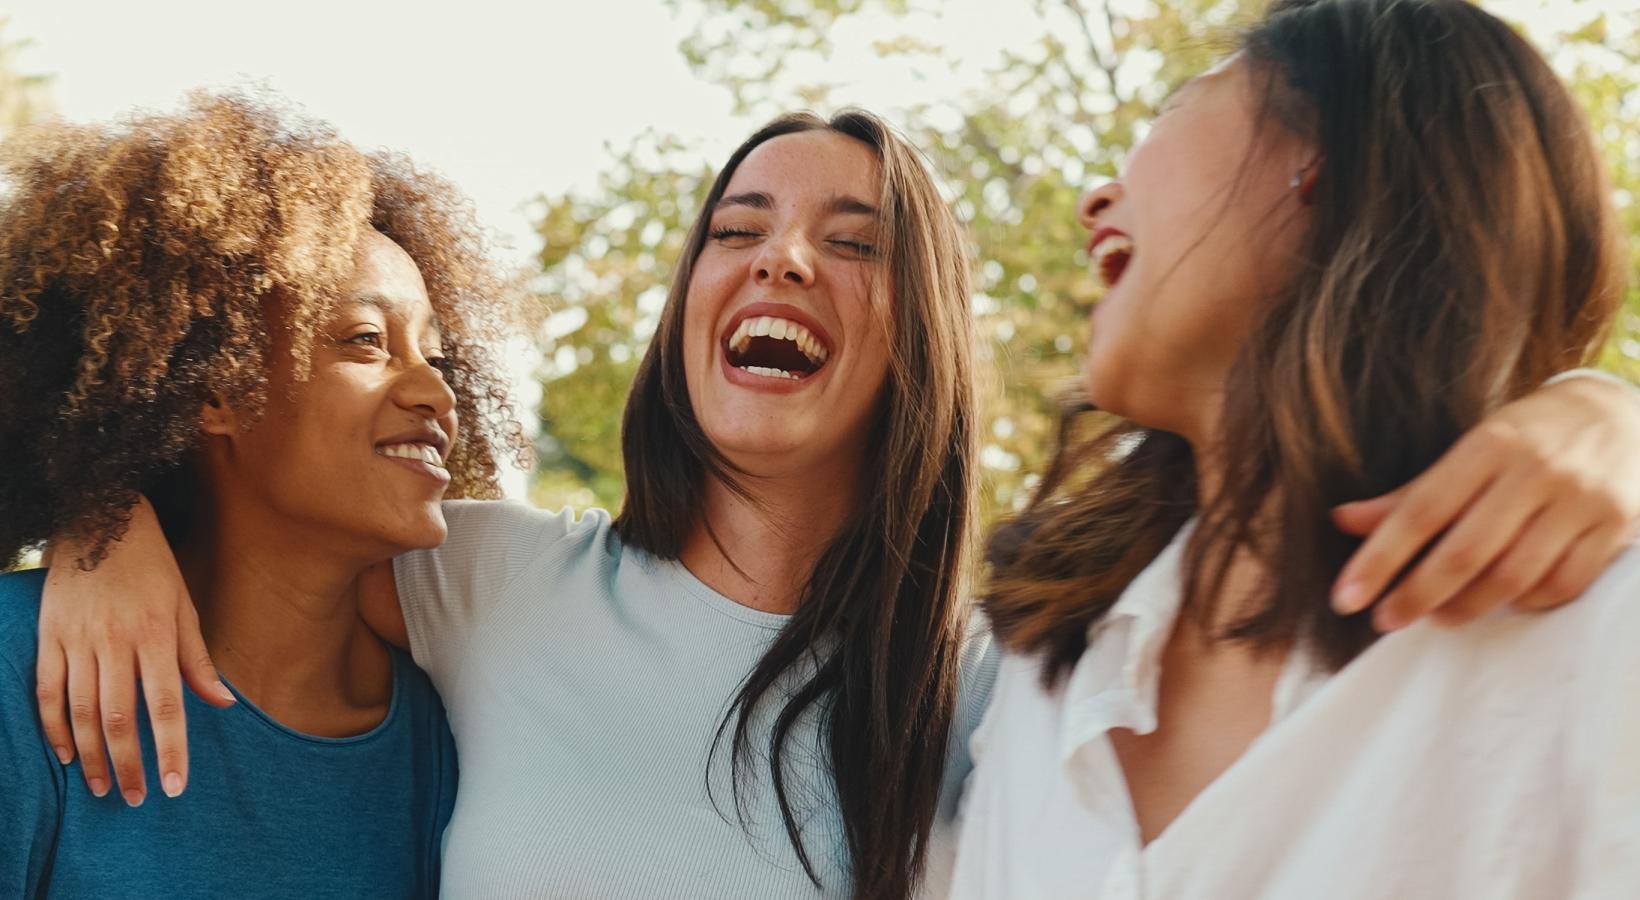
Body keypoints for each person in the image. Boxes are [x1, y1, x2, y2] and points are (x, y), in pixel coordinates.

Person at [32, 104, 1640, 900]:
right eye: (737, 227)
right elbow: (262, 493)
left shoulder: (1009, 686)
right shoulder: (487, 582)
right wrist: (98, 516)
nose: (784, 258)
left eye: (854, 240)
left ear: (915, 335)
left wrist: (1597, 407)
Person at [957, 0, 1640, 896]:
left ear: (1321, 161)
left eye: (1167, 113)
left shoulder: (1593, 635)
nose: (1094, 200)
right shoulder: (1035, 675)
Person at [0, 94, 527, 896]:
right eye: (366, 341)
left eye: (439, 358)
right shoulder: (24, 669)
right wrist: (96, 512)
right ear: (211, 388)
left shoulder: (449, 736)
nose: (434, 392)